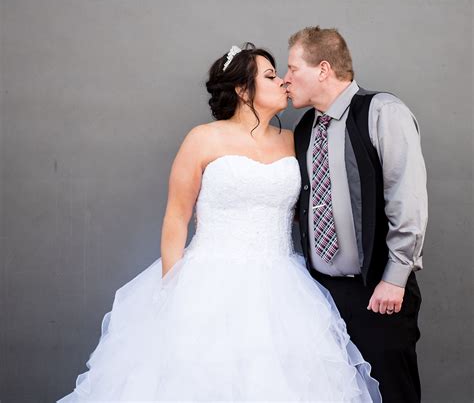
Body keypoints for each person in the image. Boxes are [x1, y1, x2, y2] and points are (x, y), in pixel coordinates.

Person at [57, 42, 381, 403]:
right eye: (271, 75)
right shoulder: (202, 139)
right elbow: (176, 219)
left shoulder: (295, 142)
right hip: (207, 285)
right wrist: (171, 291)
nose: (284, 82)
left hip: (282, 289)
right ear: (243, 89)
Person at [284, 26, 428, 403]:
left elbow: (407, 199)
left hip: (378, 290)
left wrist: (394, 278)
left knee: (391, 393)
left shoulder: (382, 111)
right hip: (323, 297)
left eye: (292, 68)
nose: (286, 80)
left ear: (323, 69)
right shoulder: (303, 130)